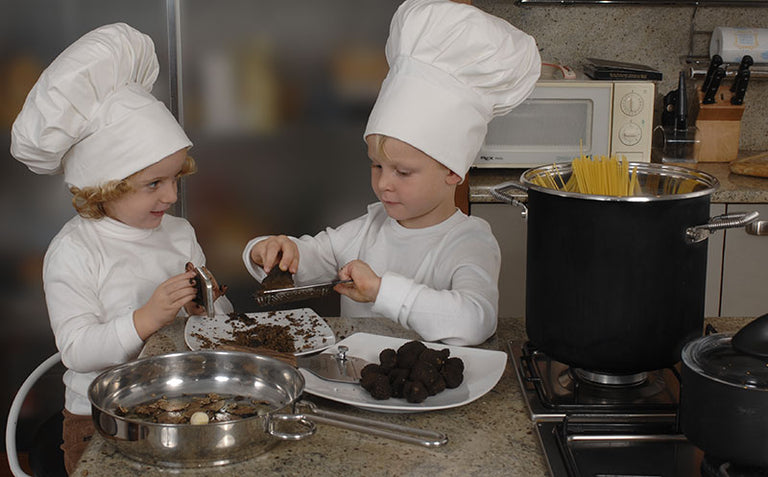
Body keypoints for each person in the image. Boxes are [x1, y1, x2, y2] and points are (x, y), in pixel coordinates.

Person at [243, 0, 540, 347]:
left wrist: (383, 291)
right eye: (377, 166)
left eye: (403, 172)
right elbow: (305, 261)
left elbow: (476, 321)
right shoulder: (367, 231)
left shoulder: (469, 242)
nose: (384, 183)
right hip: (353, 385)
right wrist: (270, 251)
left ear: (453, 172)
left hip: (433, 397)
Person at [10, 23, 232, 473]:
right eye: (154, 184)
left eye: (175, 178)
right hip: (100, 419)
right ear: (103, 188)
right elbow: (75, 349)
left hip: (183, 404)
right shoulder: (74, 251)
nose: (170, 197)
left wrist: (206, 310)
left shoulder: (179, 233)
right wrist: (145, 319)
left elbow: (218, 315)